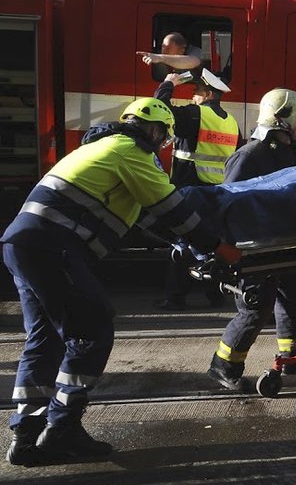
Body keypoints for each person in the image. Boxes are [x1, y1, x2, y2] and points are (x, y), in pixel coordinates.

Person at [2, 98, 239, 466]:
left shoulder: (104, 147)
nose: (161, 144)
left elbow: (149, 218)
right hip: (53, 246)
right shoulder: (132, 151)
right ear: (156, 131)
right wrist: (218, 247)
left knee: (45, 338)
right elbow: (174, 210)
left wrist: (182, 245)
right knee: (92, 331)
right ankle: (61, 429)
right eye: (162, 136)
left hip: (23, 243)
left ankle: (26, 435)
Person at [206, 89, 296, 391]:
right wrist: (227, 248)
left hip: (283, 243)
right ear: (283, 117)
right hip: (253, 246)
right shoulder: (250, 155)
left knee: (293, 295)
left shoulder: (290, 150)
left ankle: (294, 355)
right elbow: (228, 203)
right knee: (256, 306)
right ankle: (224, 365)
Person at [153, 68, 242, 310]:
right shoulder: (231, 122)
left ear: (208, 93)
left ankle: (175, 298)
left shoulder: (196, 115)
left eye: (197, 92)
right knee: (211, 242)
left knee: (182, 243)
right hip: (217, 193)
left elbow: (158, 113)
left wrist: (167, 84)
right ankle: (216, 295)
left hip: (190, 189)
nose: (194, 97)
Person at [137, 32, 203, 73]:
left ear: (181, 50)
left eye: (168, 48)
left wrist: (161, 58)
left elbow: (192, 62)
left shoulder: (196, 51)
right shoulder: (154, 57)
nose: (163, 52)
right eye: (163, 47)